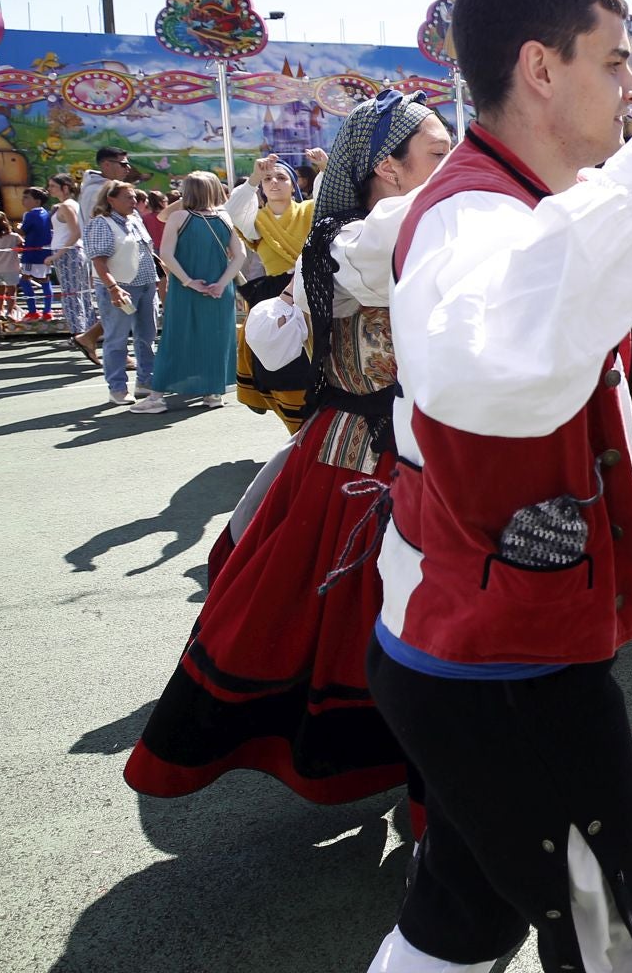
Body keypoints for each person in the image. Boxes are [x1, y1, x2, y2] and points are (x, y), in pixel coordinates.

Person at [364, 0, 632, 973]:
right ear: (541, 69)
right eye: (615, 61)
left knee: (465, 912)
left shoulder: (508, 199)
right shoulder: (471, 213)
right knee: (609, 942)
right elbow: (501, 361)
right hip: (503, 664)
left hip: (477, 644)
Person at [125, 90, 453, 828]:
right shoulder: (356, 238)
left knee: (429, 629)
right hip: (360, 465)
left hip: (416, 458)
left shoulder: (412, 228)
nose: (456, 165)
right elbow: (386, 252)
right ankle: (424, 794)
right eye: (439, 154)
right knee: (366, 625)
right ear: (387, 169)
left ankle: (437, 795)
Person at [129, 172, 245, 413]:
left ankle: (158, 396)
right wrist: (222, 283)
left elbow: (167, 254)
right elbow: (239, 255)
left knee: (175, 338)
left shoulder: (179, 217)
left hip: (187, 291)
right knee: (217, 339)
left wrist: (189, 282)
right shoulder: (225, 217)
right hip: (220, 290)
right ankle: (213, 392)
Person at [227, 151, 322, 430]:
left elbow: (330, 198)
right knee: (281, 370)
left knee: (316, 364)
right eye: (268, 179)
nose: (274, 182)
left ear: (294, 184)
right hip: (275, 300)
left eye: (281, 177)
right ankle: (295, 433)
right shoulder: (256, 222)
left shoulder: (311, 211)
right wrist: (254, 175)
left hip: (312, 292)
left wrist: (324, 167)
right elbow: (233, 210)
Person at [84, 180, 160, 406]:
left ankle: (146, 381)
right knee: (117, 339)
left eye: (134, 197)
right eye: (128, 197)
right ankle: (117, 388)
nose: (133, 201)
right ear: (110, 199)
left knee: (146, 336)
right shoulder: (102, 224)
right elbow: (99, 260)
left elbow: (147, 252)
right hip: (120, 287)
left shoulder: (135, 220)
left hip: (146, 285)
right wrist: (113, 288)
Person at [47, 173, 101, 360]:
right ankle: (86, 332)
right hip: (74, 253)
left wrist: (57, 254)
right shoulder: (71, 205)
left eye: (53, 186)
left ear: (65, 187)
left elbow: (76, 232)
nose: (50, 189)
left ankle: (78, 334)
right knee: (80, 293)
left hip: (70, 254)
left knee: (72, 294)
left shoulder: (67, 205)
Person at [17, 186, 54, 320]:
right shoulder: (46, 213)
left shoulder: (30, 214)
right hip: (45, 252)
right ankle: (47, 311)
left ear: (37, 201)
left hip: (31, 253)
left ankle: (32, 310)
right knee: (45, 279)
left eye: (26, 198)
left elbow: (23, 231)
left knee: (25, 279)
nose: (23, 200)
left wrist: (17, 228)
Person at [79, 145, 137, 223]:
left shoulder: (105, 187)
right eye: (123, 164)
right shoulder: (95, 191)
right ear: (106, 165)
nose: (128, 167)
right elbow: (93, 226)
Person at [0, 212, 20, 320]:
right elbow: (22, 245)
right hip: (11, 268)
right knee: (11, 292)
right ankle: (10, 312)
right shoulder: (14, 236)